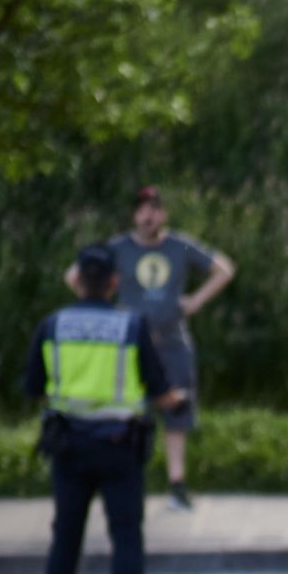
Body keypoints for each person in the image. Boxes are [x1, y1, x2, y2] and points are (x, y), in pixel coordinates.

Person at [31, 243, 184, 574]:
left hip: (68, 448)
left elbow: (33, 388)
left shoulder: (52, 325)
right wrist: (176, 400)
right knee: (126, 538)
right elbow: (159, 391)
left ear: (77, 280)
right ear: (115, 282)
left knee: (65, 538)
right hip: (120, 449)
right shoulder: (131, 327)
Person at [64, 186, 236, 511]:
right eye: (142, 209)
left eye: (155, 208)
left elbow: (224, 268)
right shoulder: (118, 247)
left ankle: (177, 484)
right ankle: (130, 482)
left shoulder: (179, 245)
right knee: (130, 415)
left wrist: (195, 301)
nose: (148, 215)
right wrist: (102, 307)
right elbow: (73, 275)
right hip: (130, 347)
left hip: (173, 343)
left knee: (177, 412)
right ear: (134, 215)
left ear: (164, 214)